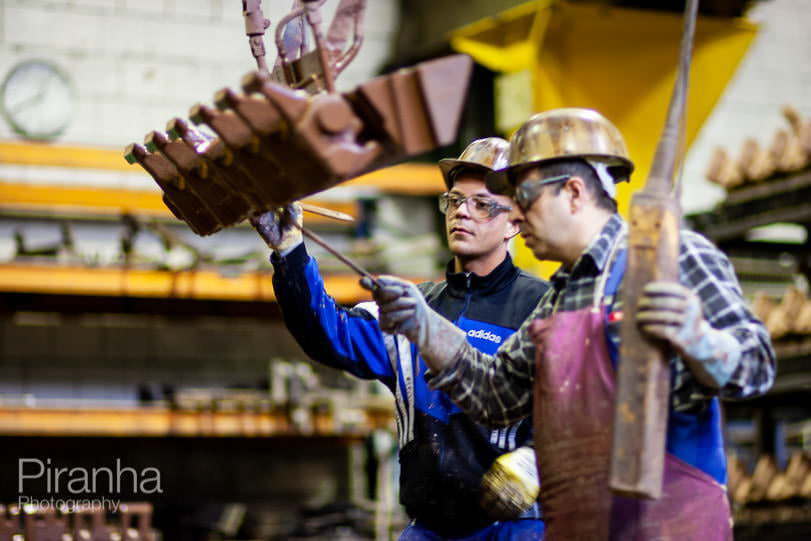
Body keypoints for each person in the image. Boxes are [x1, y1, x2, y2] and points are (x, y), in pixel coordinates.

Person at [364, 109, 776, 540]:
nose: (517, 216)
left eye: (524, 198)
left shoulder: (673, 259)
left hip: (667, 524)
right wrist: (426, 327)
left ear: (574, 192)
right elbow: (495, 395)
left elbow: (757, 367)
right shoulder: (558, 299)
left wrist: (702, 341)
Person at [253, 138, 549, 540]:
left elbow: (581, 406)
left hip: (513, 529)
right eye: (455, 200)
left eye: (482, 204)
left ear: (515, 220)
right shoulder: (413, 309)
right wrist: (290, 251)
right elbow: (328, 334)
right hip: (429, 527)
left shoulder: (542, 307)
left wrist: (536, 459)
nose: (462, 211)